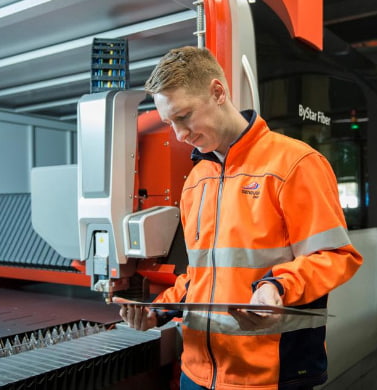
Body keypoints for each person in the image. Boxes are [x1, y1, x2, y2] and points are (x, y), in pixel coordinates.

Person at [113, 46, 363, 390]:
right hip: (197, 374)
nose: (179, 135)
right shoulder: (196, 181)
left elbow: (335, 257)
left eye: (184, 116)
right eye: (170, 122)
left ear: (218, 92)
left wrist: (277, 286)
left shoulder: (295, 164)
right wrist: (158, 310)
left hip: (271, 376)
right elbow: (198, 279)